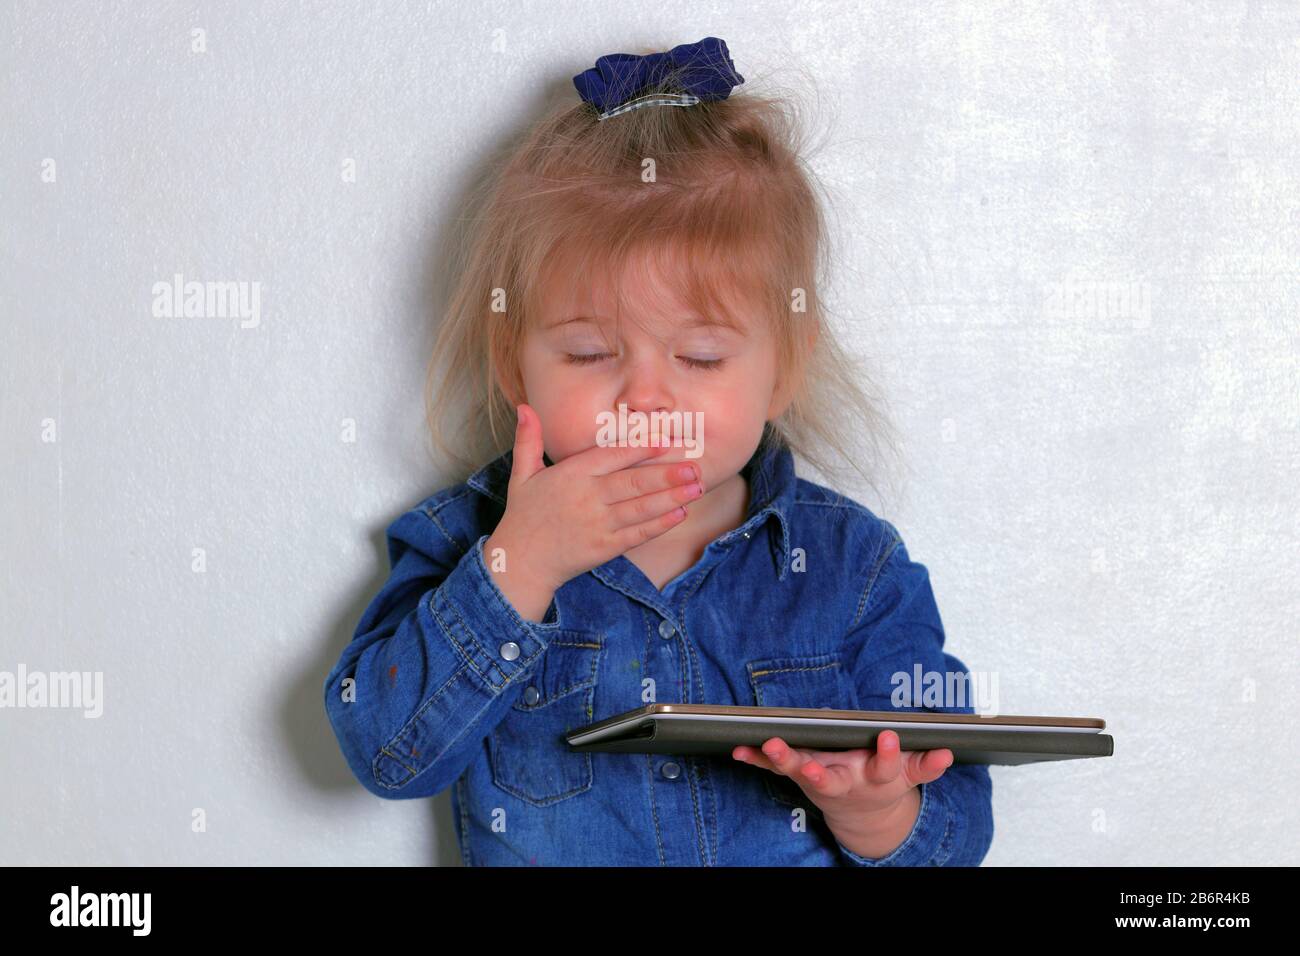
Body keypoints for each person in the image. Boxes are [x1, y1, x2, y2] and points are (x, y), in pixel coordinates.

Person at [323, 37, 993, 866]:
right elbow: (386, 756)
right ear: (513, 362)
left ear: (783, 365)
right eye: (591, 353)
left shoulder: (854, 571)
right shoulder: (468, 541)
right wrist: (517, 570)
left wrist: (877, 815)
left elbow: (958, 826)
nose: (646, 399)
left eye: (701, 358)